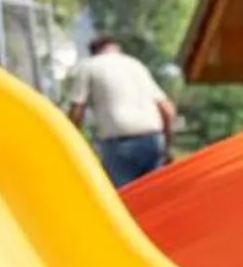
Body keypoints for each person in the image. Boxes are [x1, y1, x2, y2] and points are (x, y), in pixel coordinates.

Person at [71, 33, 176, 189]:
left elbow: (77, 111)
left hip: (119, 144)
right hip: (152, 140)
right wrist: (167, 146)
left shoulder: (88, 66)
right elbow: (167, 109)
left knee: (124, 197)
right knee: (156, 196)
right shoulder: (136, 65)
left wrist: (73, 143)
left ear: (94, 51)